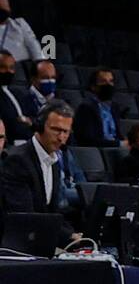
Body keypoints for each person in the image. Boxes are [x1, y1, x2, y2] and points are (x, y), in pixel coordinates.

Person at [0, 99, 81, 246]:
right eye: (56, 129)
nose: (61, 137)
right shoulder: (18, 160)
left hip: (41, 240)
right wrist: (68, 236)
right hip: (21, 245)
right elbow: (25, 216)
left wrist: (74, 235)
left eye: (66, 132)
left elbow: (53, 212)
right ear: (39, 126)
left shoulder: (54, 160)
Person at [74, 68, 127, 148]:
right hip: (99, 151)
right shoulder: (86, 108)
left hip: (116, 149)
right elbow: (88, 141)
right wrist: (119, 144)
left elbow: (117, 134)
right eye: (103, 81)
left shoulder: (114, 107)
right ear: (93, 87)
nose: (108, 85)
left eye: (111, 81)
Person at [0, 50, 38, 143]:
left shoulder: (20, 94)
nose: (8, 71)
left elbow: (36, 117)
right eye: (3, 67)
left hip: (29, 145)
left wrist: (30, 122)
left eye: (11, 68)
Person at [0, 0, 44, 67]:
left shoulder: (19, 24)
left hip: (21, 65)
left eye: (4, 9)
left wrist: (40, 64)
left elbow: (33, 44)